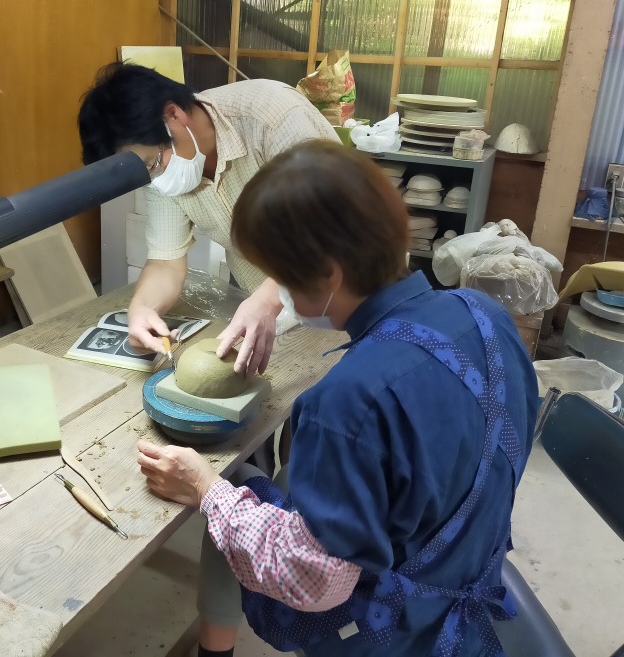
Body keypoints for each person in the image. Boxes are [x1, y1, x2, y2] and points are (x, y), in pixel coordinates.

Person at [136, 140, 540, 657]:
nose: (277, 294)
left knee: (241, 487)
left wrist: (206, 490)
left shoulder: (346, 403)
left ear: (329, 275)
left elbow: (314, 580)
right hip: (470, 574)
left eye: (279, 277)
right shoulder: (485, 316)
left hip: (400, 631)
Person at [78, 62, 339, 377]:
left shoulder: (273, 118)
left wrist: (269, 302)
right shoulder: (164, 172)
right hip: (270, 302)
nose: (157, 178)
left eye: (153, 162)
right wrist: (142, 309)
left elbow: (327, 229)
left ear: (174, 115)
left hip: (343, 293)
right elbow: (165, 261)